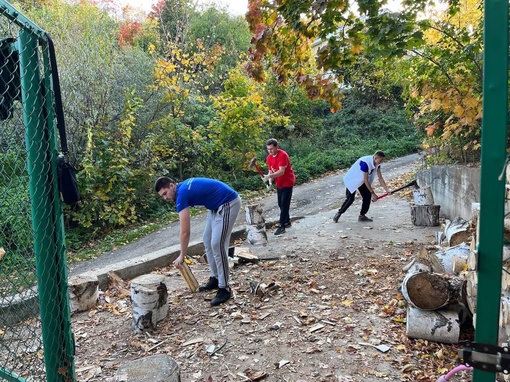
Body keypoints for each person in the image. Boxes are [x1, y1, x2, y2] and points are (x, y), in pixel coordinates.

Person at [154, 176, 241, 306]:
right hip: (215, 207)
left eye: (165, 193)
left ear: (172, 186)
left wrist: (182, 255)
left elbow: (185, 231)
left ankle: (224, 288)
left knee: (217, 244)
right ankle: (216, 278)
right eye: (162, 196)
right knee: (207, 239)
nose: (165, 198)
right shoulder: (182, 188)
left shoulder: (181, 194)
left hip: (228, 202)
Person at [333, 151, 391, 223]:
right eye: (381, 160)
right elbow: (366, 180)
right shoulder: (365, 163)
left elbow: (380, 178)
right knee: (350, 199)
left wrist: (387, 190)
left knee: (367, 196)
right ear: (376, 158)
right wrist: (373, 193)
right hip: (352, 179)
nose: (381, 162)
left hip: (362, 180)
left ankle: (362, 215)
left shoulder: (377, 165)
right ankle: (339, 213)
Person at [263, 138, 296, 236]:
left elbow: (282, 171)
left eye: (271, 149)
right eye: (268, 149)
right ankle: (287, 221)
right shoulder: (269, 158)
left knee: (284, 204)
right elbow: (271, 171)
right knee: (280, 204)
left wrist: (269, 176)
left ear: (276, 147)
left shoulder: (283, 155)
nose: (270, 151)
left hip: (287, 181)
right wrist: (269, 182)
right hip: (279, 183)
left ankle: (282, 226)